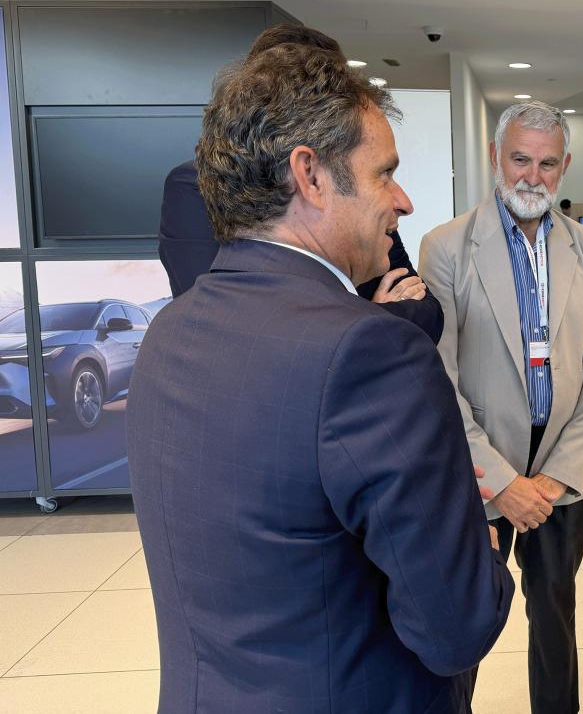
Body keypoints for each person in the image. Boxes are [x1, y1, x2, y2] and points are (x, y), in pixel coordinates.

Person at [127, 44, 513, 712]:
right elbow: (455, 627)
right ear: (310, 175)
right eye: (384, 173)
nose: (403, 199)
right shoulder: (370, 351)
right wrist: (478, 549)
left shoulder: (170, 331)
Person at [420, 101, 583, 714]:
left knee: (555, 615)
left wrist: (557, 476)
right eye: (520, 159)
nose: (533, 176)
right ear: (494, 158)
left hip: (561, 477)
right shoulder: (447, 247)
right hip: (481, 476)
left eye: (547, 164)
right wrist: (504, 483)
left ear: (564, 168)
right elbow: (438, 379)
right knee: (467, 621)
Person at [157, 23, 443, 341]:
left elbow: (428, 313)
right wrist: (367, 316)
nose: (402, 203)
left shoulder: (361, 196)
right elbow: (224, 320)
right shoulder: (193, 186)